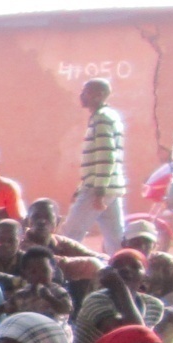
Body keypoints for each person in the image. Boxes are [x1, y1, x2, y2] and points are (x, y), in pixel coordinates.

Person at [70, 250, 168, 343]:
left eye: (135, 266)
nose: (125, 269)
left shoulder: (153, 305)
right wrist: (120, 287)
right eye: (117, 265)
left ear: (145, 278)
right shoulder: (97, 299)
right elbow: (133, 338)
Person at [64, 78, 126, 249]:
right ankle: (124, 263)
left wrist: (99, 192)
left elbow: (106, 156)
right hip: (109, 187)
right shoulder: (108, 116)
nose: (82, 95)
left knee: (69, 236)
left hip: (98, 189)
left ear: (99, 95)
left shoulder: (102, 118)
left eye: (86, 92)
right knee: (116, 240)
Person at [6, 246, 73, 321]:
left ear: (53, 272)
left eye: (45, 270)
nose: (40, 275)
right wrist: (10, 308)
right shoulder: (21, 294)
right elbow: (8, 307)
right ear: (25, 275)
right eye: (33, 272)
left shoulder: (58, 291)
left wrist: (49, 298)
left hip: (53, 326)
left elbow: (67, 309)